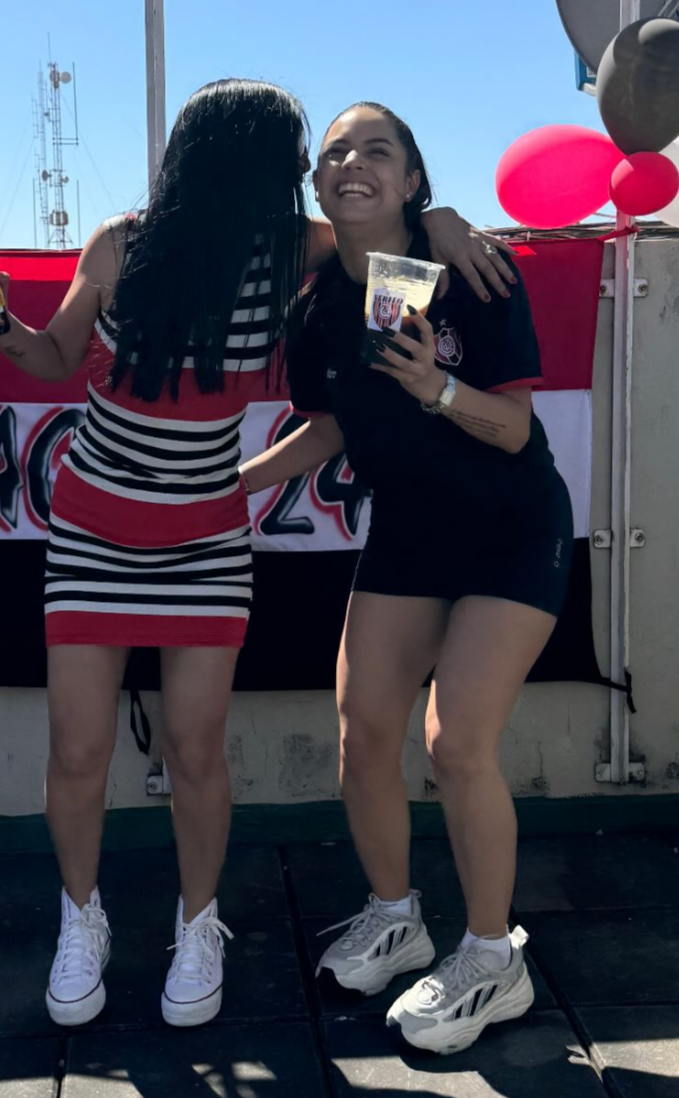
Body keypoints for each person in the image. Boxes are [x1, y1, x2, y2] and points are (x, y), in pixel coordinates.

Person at [0, 79, 516, 1029]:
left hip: (205, 540)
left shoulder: (296, 250)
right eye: (293, 151)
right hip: (91, 530)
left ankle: (197, 925)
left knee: (196, 748)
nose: (305, 168)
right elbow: (52, 359)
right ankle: (80, 921)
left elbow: (390, 237)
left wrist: (444, 220)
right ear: (239, 158)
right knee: (77, 749)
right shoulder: (121, 245)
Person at [240, 101, 574, 1055]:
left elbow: (512, 430)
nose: (353, 163)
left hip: (511, 529)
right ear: (317, 183)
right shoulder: (316, 308)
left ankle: (491, 957)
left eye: (377, 150)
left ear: (414, 181)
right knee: (362, 735)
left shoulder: (469, 270)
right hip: (409, 534)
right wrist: (231, 487)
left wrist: (435, 385)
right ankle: (395, 919)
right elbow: (330, 426)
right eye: (335, 152)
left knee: (454, 741)